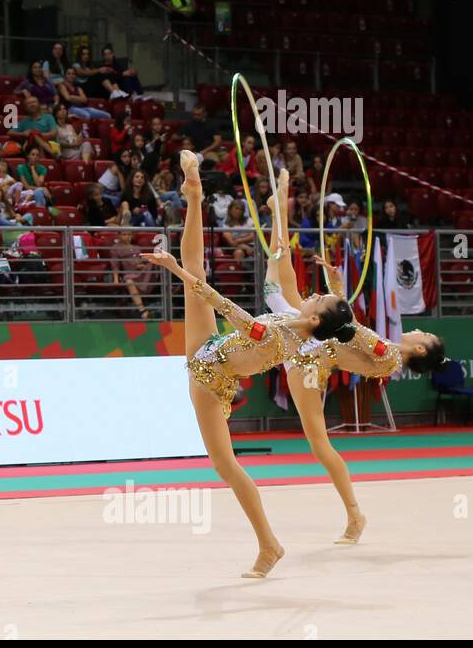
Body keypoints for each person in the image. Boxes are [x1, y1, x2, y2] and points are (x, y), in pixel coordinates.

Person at [139, 151, 354, 578]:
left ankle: (269, 543)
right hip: (210, 349)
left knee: (226, 465)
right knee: (196, 268)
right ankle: (195, 195)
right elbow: (283, 270)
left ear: (315, 317)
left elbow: (222, 303)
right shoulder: (295, 321)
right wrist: (284, 203)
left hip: (211, 375)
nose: (310, 294)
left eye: (318, 298)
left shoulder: (279, 333)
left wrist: (174, 269)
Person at [262, 175, 446, 543]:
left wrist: (338, 300)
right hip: (313, 352)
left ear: (421, 349)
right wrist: (337, 294)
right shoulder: (389, 350)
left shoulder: (391, 355)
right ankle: (278, 213)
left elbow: (353, 331)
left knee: (320, 445)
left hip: (312, 361)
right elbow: (352, 330)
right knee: (277, 292)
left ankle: (355, 515)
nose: (419, 329)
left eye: (424, 333)